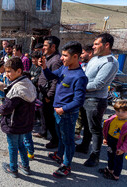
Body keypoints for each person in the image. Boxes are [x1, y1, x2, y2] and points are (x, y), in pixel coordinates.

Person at [39, 41, 88, 177]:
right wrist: (44, 67)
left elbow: (79, 101)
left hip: (67, 114)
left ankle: (66, 165)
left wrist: (63, 109)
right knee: (61, 137)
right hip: (58, 111)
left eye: (65, 55)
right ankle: (59, 155)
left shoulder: (80, 77)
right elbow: (51, 76)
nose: (61, 58)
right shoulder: (65, 68)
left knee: (68, 141)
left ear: (75, 56)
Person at [76, 33, 119, 167]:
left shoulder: (110, 62)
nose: (93, 46)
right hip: (85, 97)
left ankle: (95, 156)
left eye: (96, 44)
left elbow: (98, 84)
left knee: (95, 129)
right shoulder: (95, 58)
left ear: (106, 45)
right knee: (87, 126)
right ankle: (84, 147)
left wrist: (78, 86)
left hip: (95, 100)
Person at [0, 57, 36, 178]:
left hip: (14, 123)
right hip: (25, 122)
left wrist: (0, 108)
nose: (6, 74)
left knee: (13, 146)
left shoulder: (16, 89)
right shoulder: (28, 83)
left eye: (9, 71)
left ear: (19, 71)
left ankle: (13, 168)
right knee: (21, 145)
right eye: (6, 71)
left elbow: (7, 108)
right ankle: (25, 166)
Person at [34, 36, 63, 149]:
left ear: (53, 46)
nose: (43, 48)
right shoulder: (48, 57)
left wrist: (49, 96)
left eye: (45, 45)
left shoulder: (56, 61)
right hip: (43, 93)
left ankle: (55, 140)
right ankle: (43, 132)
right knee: (44, 116)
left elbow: (55, 81)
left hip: (48, 96)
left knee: (50, 118)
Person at [100, 100, 127, 181]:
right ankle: (110, 169)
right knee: (110, 155)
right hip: (111, 140)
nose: (120, 113)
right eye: (118, 111)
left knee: (118, 159)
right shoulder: (113, 118)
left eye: (123, 111)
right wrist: (105, 138)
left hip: (120, 144)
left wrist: (123, 149)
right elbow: (106, 128)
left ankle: (116, 175)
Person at [75, 44, 94, 140]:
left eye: (82, 53)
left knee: (88, 123)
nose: (80, 55)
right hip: (80, 96)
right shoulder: (82, 65)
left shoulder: (93, 66)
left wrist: (79, 87)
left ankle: (85, 144)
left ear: (90, 53)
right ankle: (76, 133)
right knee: (79, 116)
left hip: (89, 97)